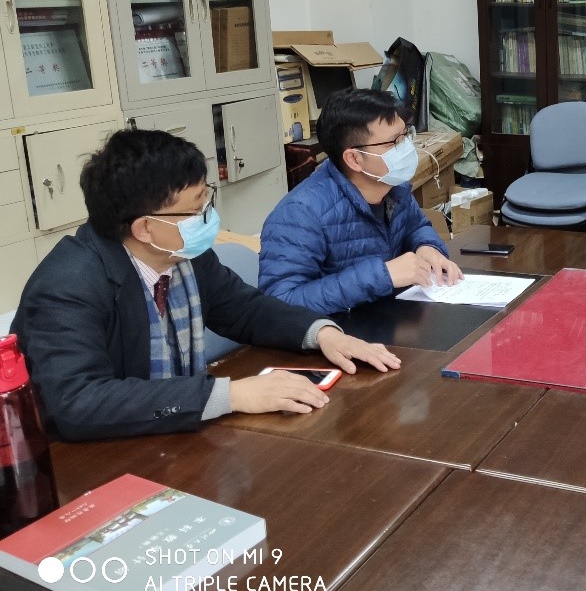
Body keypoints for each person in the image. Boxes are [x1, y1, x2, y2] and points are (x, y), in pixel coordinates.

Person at [13, 129, 401, 442]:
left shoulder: (180, 253)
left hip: (172, 438)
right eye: (195, 209)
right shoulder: (66, 287)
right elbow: (77, 403)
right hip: (99, 461)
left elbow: (244, 309)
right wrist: (230, 395)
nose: (207, 217)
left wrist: (323, 334)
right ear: (145, 227)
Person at [259, 88, 461, 314]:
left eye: (405, 135)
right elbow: (280, 304)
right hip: (340, 329)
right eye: (394, 142)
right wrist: (382, 276)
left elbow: (416, 227)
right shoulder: (300, 214)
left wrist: (426, 247)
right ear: (354, 159)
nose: (406, 147)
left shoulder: (392, 187)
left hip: (389, 317)